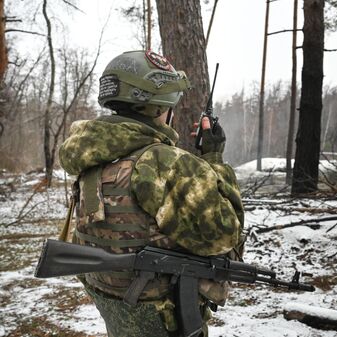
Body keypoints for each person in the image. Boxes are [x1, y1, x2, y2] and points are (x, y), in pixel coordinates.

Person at [58, 50, 244, 337]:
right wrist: (214, 158)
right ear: (159, 107)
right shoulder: (164, 163)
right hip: (164, 321)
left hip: (118, 315)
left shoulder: (92, 160)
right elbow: (225, 236)